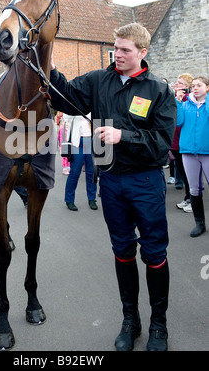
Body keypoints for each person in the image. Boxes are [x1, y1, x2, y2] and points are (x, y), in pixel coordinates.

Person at [49, 23, 176, 351]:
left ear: (142, 53)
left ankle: (158, 325)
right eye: (115, 49)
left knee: (153, 252)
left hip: (146, 181)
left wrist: (124, 136)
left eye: (125, 51)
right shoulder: (98, 80)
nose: (117, 55)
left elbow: (162, 145)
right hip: (112, 181)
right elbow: (65, 95)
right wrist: (48, 67)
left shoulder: (158, 91)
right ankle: (130, 320)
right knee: (122, 250)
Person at [176, 76, 209, 237]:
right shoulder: (185, 104)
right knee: (194, 189)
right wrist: (177, 102)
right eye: (193, 86)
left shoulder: (207, 104)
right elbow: (178, 122)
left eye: (199, 85)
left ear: (207, 88)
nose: (195, 88)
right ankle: (199, 223)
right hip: (188, 151)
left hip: (207, 151)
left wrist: (206, 101)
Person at [62, 113, 97, 211]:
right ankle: (69, 200)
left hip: (91, 140)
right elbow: (66, 118)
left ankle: (92, 199)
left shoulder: (92, 103)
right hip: (77, 142)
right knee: (75, 172)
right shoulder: (73, 103)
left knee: (92, 172)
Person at [170, 74, 193, 212]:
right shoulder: (177, 98)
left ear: (186, 86)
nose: (176, 84)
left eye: (180, 83)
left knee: (188, 173)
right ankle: (187, 197)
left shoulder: (187, 100)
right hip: (175, 141)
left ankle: (191, 199)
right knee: (183, 171)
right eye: (177, 82)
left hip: (183, 141)